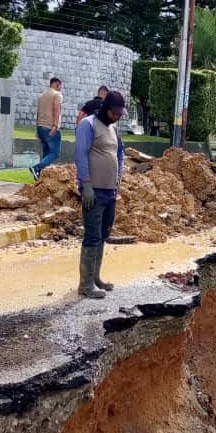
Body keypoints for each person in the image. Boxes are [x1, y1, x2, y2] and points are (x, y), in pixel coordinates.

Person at [73, 90, 125, 299]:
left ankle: (96, 278)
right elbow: (80, 154)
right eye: (115, 113)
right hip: (93, 191)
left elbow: (120, 152)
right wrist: (85, 184)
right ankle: (85, 285)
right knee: (92, 235)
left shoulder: (114, 128)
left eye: (120, 114)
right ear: (106, 109)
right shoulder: (88, 124)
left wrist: (119, 175)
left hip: (110, 190)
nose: (117, 117)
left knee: (103, 234)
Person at [29, 76, 63, 181]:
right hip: (50, 128)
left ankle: (40, 176)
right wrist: (55, 126)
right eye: (60, 87)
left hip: (41, 127)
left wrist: (37, 130)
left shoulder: (42, 95)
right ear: (57, 85)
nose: (61, 89)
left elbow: (38, 113)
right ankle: (37, 168)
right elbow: (56, 109)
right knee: (55, 153)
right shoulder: (57, 94)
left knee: (46, 154)